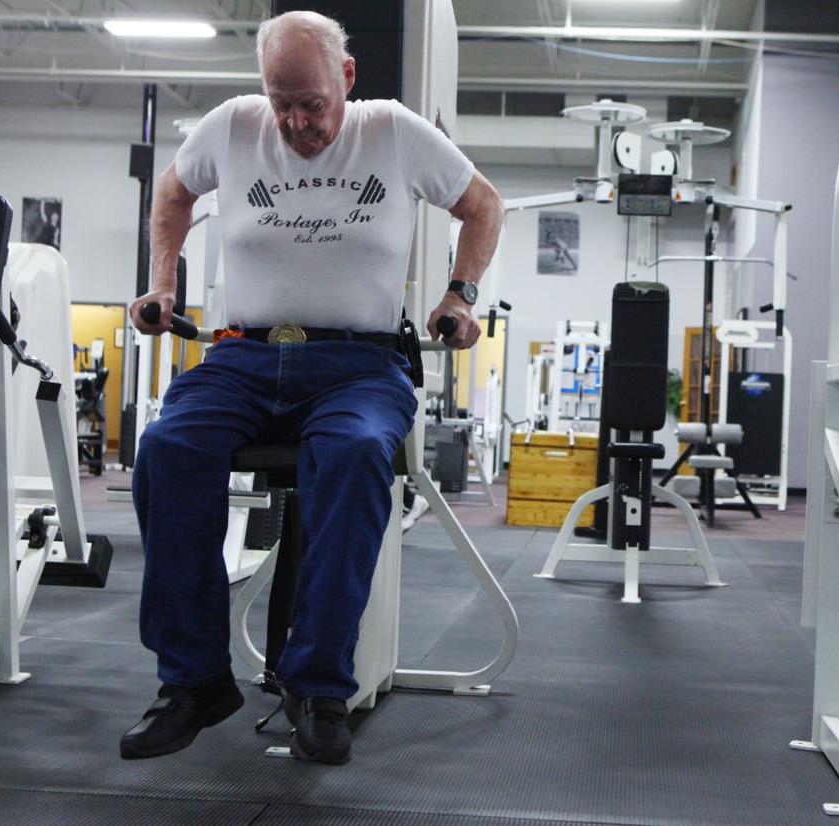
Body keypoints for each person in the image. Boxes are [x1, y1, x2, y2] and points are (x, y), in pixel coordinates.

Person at [121, 10, 503, 766]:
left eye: (313, 104)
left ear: (347, 80)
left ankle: (320, 687)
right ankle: (193, 682)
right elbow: (172, 196)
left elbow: (480, 204)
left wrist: (460, 296)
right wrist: (163, 285)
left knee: (359, 452)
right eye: (282, 103)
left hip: (359, 365)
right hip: (243, 359)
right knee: (166, 448)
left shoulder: (391, 131)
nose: (295, 123)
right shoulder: (232, 128)